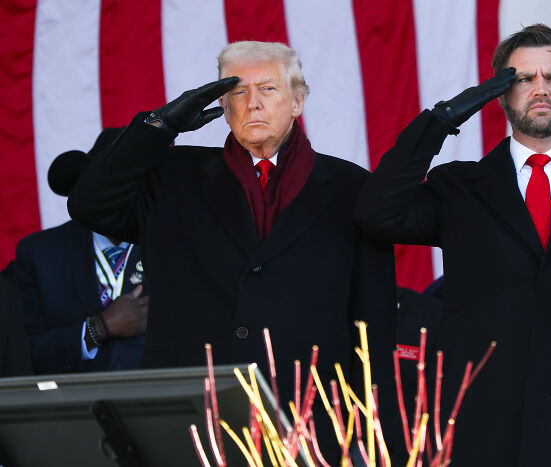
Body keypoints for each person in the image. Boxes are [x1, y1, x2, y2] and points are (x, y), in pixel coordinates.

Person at [355, 24, 551, 466]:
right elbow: (376, 212)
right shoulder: (459, 189)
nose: (541, 89)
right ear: (499, 94)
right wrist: (439, 121)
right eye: (523, 78)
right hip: (475, 440)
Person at [67, 41, 396, 458]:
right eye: (238, 92)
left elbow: (373, 325)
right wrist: (158, 128)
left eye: (268, 90)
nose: (252, 104)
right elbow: (88, 205)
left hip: (310, 421)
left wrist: (371, 431)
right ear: (222, 105)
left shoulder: (354, 188)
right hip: (187, 415)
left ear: (298, 100)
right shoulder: (171, 176)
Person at [13, 129, 148, 374]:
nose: (122, 193)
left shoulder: (178, 247)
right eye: (111, 182)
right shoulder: (40, 253)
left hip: (163, 404)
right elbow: (20, 353)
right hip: (69, 407)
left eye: (135, 181)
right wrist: (98, 328)